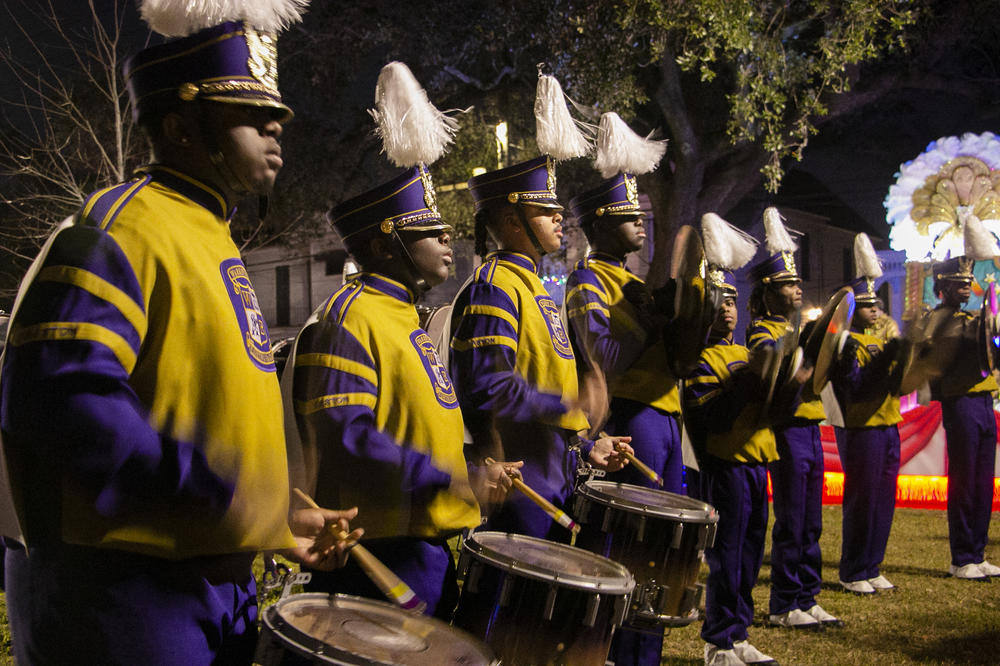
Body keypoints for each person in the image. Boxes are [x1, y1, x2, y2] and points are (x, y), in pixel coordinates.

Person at [0, 10, 361, 665]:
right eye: (249, 114)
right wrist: (227, 501)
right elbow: (62, 408)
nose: (276, 125)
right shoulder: (119, 231)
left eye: (275, 113)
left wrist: (272, 517)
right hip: (124, 602)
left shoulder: (210, 237)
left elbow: (201, 411)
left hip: (203, 589)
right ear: (179, 127)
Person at [450, 153, 632, 541]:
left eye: (558, 210)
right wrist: (571, 403)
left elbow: (541, 388)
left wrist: (585, 447)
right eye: (545, 210)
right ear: (513, 222)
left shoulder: (536, 287)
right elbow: (487, 387)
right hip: (518, 478)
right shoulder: (496, 284)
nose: (558, 217)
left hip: (554, 474)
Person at [564, 120, 675, 666]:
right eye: (630, 217)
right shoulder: (588, 280)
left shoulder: (632, 283)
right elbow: (603, 358)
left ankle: (646, 652)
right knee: (634, 548)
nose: (640, 226)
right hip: (630, 416)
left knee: (663, 553)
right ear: (602, 225)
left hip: (664, 414)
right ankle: (622, 652)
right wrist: (656, 324)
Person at [746, 208, 840, 629]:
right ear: (767, 293)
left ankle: (807, 594)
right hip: (786, 430)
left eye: (797, 281)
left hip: (809, 427)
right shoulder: (762, 333)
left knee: (812, 518)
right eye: (787, 284)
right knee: (793, 517)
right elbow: (779, 378)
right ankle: (785, 602)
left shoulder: (794, 331)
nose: (797, 288)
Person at [684, 267, 778, 666]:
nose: (727, 308)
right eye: (717, 301)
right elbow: (713, 420)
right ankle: (717, 642)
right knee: (727, 555)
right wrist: (751, 382)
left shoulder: (744, 353)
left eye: (732, 300)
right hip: (726, 468)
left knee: (751, 554)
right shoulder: (698, 361)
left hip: (757, 463)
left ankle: (739, 633)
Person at [830, 255, 904, 595]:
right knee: (862, 499)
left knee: (883, 498)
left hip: (888, 423)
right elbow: (855, 388)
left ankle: (872, 564)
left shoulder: (881, 339)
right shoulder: (845, 344)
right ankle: (853, 568)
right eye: (865, 306)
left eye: (876, 305)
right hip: (862, 427)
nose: (874, 311)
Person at [928, 253, 1000, 580]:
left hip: (983, 399)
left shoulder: (970, 316)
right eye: (958, 284)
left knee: (983, 482)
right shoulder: (937, 320)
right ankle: (961, 557)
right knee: (965, 481)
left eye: (967, 283)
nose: (966, 289)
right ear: (942, 286)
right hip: (960, 401)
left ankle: (977, 552)